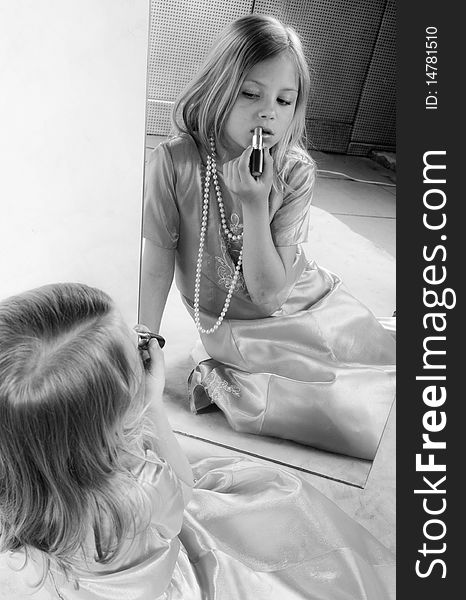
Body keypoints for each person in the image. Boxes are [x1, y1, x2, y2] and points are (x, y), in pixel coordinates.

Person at [0, 282, 395, 599]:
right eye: (135, 346)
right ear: (118, 414)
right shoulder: (144, 484)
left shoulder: (16, 486)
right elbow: (185, 493)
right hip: (175, 585)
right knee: (281, 495)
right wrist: (153, 404)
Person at [140, 14, 396, 461]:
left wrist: (256, 205)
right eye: (251, 93)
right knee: (282, 400)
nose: (268, 112)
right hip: (226, 324)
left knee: (366, 397)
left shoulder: (294, 172)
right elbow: (158, 256)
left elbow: (268, 294)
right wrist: (145, 337)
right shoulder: (175, 161)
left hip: (294, 308)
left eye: (285, 100)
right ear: (218, 89)